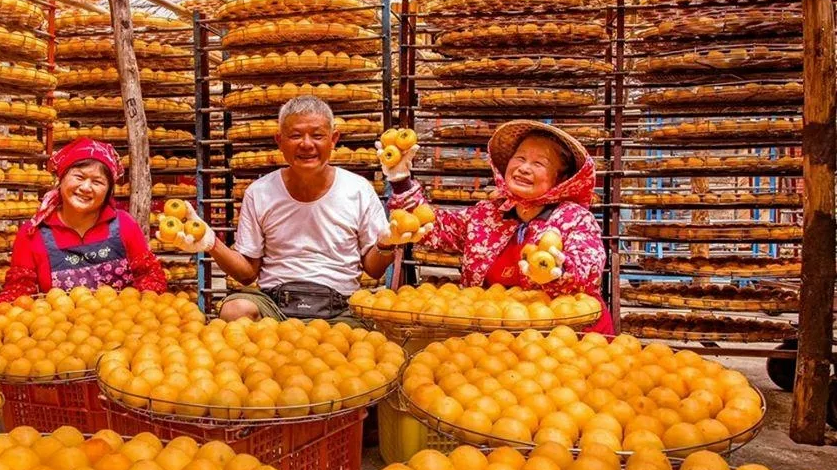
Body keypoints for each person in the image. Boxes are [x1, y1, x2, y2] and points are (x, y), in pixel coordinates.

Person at [170, 95, 419, 323]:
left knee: (363, 349)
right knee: (235, 310)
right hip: (274, 304)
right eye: (296, 135)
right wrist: (211, 242)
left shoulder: (358, 190)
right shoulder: (260, 193)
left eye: (318, 135)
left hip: (341, 306)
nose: (306, 144)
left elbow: (373, 269)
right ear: (279, 140)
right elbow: (247, 274)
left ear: (334, 139)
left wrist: (385, 245)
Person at [382, 119, 614, 334]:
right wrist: (401, 181)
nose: (524, 168)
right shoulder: (488, 214)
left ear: (560, 179)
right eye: (520, 158)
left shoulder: (575, 219)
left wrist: (558, 273)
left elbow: (587, 270)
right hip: (495, 344)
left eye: (539, 163)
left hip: (565, 344)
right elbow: (426, 226)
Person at [0, 137, 166, 304]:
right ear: (62, 179)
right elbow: (19, 291)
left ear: (108, 191)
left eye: (97, 182)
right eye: (79, 177)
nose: (86, 188)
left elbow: (149, 276)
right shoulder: (33, 232)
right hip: (59, 332)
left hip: (122, 330)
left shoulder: (124, 225)